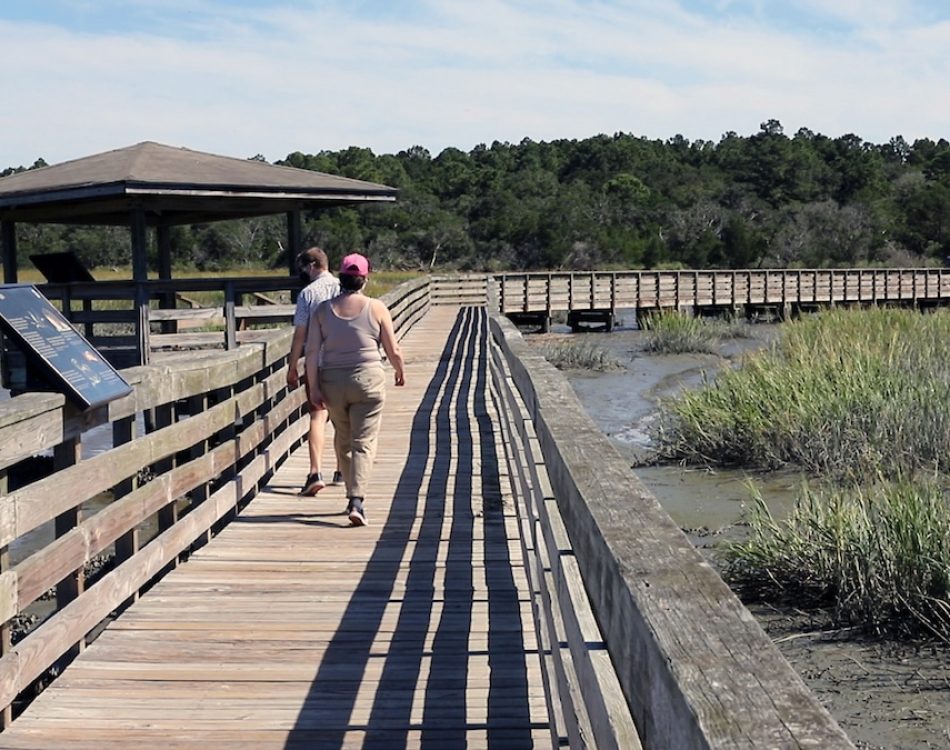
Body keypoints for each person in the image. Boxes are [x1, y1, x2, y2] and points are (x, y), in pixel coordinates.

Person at [305, 253, 406, 526]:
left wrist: (313, 388)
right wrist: (399, 369)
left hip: (333, 382)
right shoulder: (376, 307)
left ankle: (352, 494)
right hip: (368, 380)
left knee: (344, 438)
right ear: (365, 279)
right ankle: (356, 500)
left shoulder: (322, 311)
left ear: (341, 278)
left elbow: (312, 351)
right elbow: (392, 348)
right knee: (365, 441)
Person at [287, 246, 342, 495]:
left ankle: (315, 472)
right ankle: (342, 470)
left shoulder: (308, 294)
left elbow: (300, 335)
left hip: (316, 363)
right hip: (342, 362)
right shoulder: (344, 287)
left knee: (317, 416)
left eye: (304, 269)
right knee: (342, 418)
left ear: (311, 266)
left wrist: (292, 366)